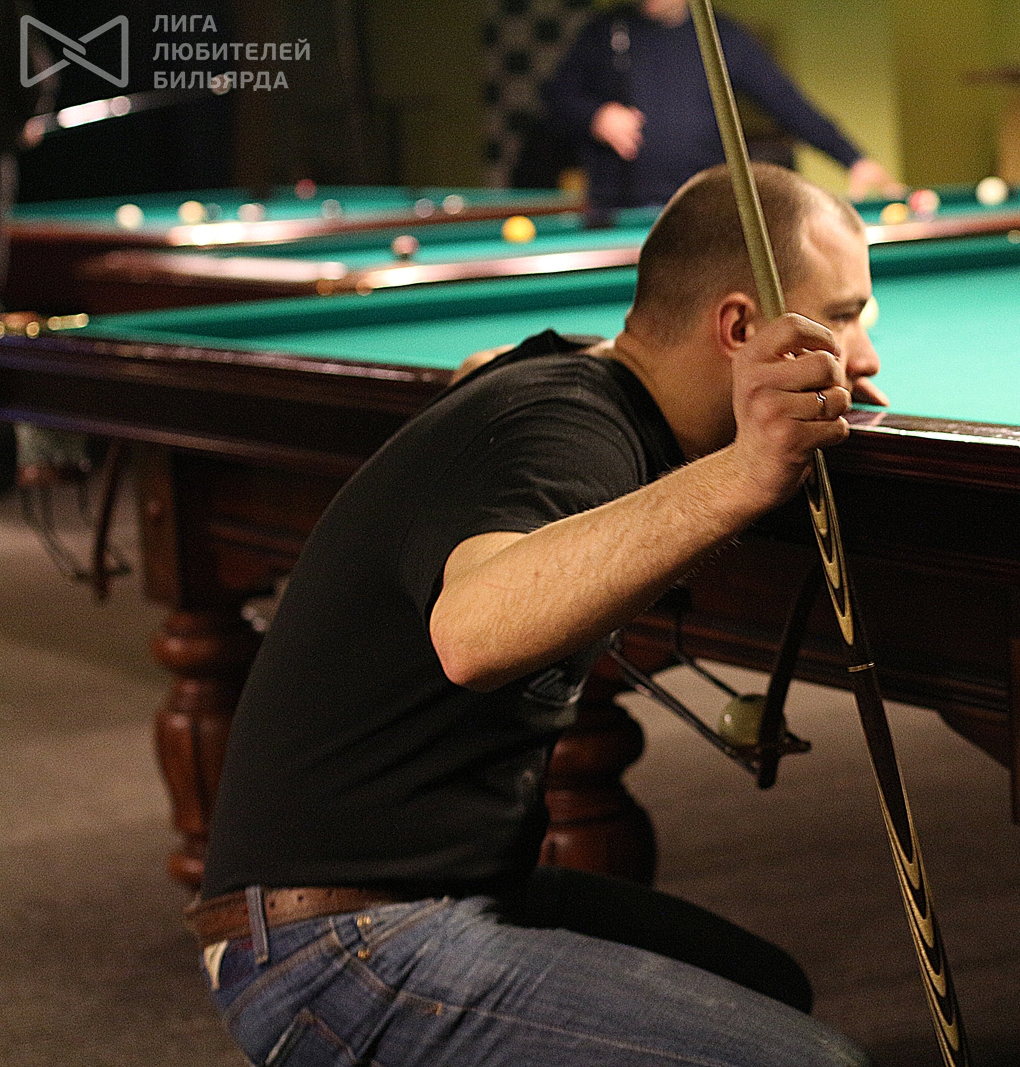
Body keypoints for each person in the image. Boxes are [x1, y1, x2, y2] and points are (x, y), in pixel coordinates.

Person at [186, 163, 886, 1067]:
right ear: (741, 328)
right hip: (335, 945)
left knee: (767, 988)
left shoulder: (579, 384)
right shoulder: (569, 428)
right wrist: (748, 471)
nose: (865, 356)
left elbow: (509, 394)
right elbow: (471, 633)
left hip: (427, 894)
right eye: (842, 317)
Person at [543, 0, 902, 215]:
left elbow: (787, 104)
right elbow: (555, 97)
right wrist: (595, 116)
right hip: (622, 213)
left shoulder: (722, 35)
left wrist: (854, 159)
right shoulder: (603, 31)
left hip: (705, 211)